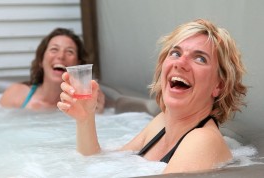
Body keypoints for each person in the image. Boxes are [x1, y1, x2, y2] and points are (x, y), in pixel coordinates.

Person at [57, 19, 247, 174]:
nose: (180, 63)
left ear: (219, 86)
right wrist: (85, 118)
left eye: (200, 58)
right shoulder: (162, 122)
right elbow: (97, 160)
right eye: (175, 52)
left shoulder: (203, 140)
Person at [0, 28, 105, 113]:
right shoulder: (16, 94)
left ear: (78, 64)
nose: (61, 56)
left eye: (69, 52)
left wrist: (93, 114)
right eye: (54, 49)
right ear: (41, 60)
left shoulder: (87, 101)